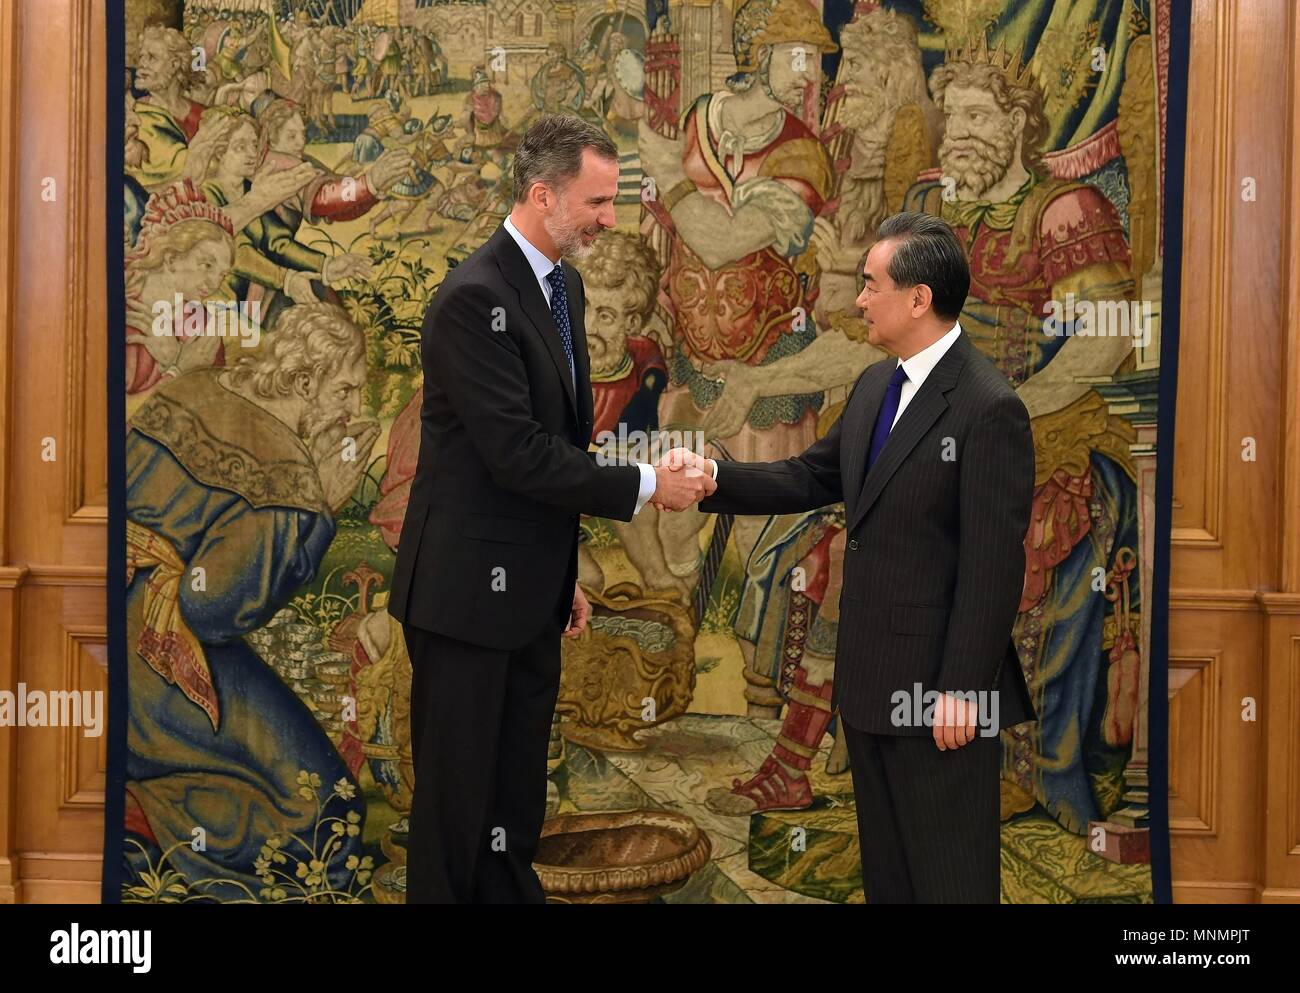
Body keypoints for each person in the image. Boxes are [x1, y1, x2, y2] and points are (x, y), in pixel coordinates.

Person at [661, 212, 1037, 903]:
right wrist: (716, 477)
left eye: (871, 285)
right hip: (869, 693)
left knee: (951, 884)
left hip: (940, 700)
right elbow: (809, 476)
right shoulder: (874, 388)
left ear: (918, 299)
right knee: (891, 883)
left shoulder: (988, 408)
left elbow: (993, 565)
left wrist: (960, 689)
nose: (858, 300)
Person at [388, 114, 715, 904]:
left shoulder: (563, 286)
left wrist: (560, 571)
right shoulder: (472, 300)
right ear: (543, 195)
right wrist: (647, 485)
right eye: (598, 201)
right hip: (465, 603)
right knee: (455, 821)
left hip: (527, 597)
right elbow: (521, 456)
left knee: (513, 819)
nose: (610, 218)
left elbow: (555, 443)